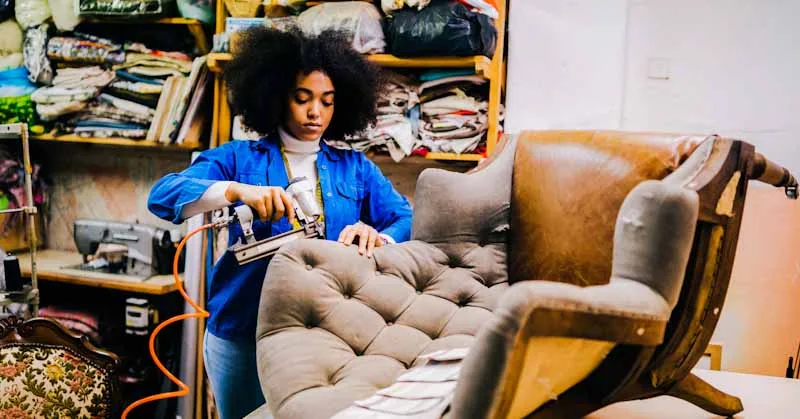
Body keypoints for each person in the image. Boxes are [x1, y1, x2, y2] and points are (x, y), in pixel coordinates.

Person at [147, 27, 413, 419]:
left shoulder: (357, 169)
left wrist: (377, 236)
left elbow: (402, 217)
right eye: (302, 98)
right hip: (242, 332)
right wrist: (236, 192)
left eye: (327, 101)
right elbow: (163, 195)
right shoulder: (239, 158)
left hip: (327, 335)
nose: (315, 113)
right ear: (275, 96)